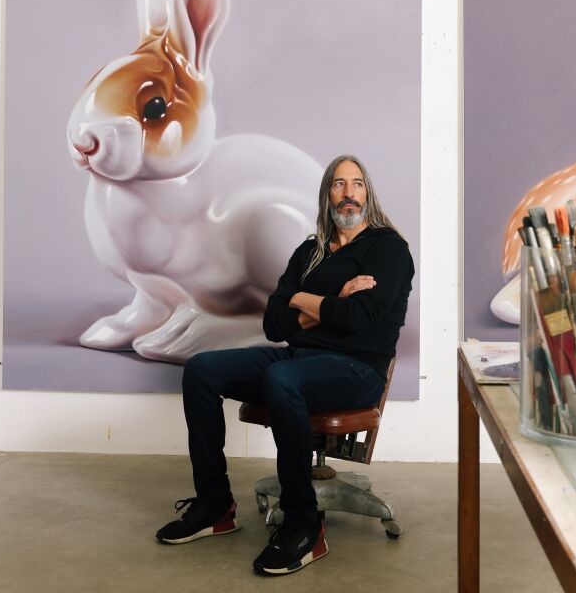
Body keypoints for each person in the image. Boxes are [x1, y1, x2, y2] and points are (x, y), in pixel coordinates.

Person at [156, 154, 415, 576]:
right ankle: (215, 505)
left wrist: (305, 301)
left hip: (357, 369)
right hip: (297, 357)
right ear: (326, 194)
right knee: (201, 369)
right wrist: (329, 301)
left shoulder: (389, 249)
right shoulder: (308, 252)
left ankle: (303, 523)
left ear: (368, 194)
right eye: (338, 184)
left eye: (357, 184)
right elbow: (274, 324)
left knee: (282, 377)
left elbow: (356, 320)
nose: (348, 194)